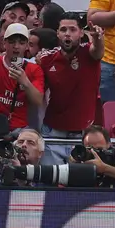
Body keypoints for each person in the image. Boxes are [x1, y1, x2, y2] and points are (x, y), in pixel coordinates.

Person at [38, 14, 104, 163]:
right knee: (50, 180)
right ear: (57, 33)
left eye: (73, 29)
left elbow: (98, 51)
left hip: (82, 135)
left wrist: (98, 38)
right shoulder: (46, 59)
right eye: (63, 29)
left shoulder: (89, 53)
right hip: (52, 131)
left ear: (81, 33)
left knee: (77, 183)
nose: (67, 33)